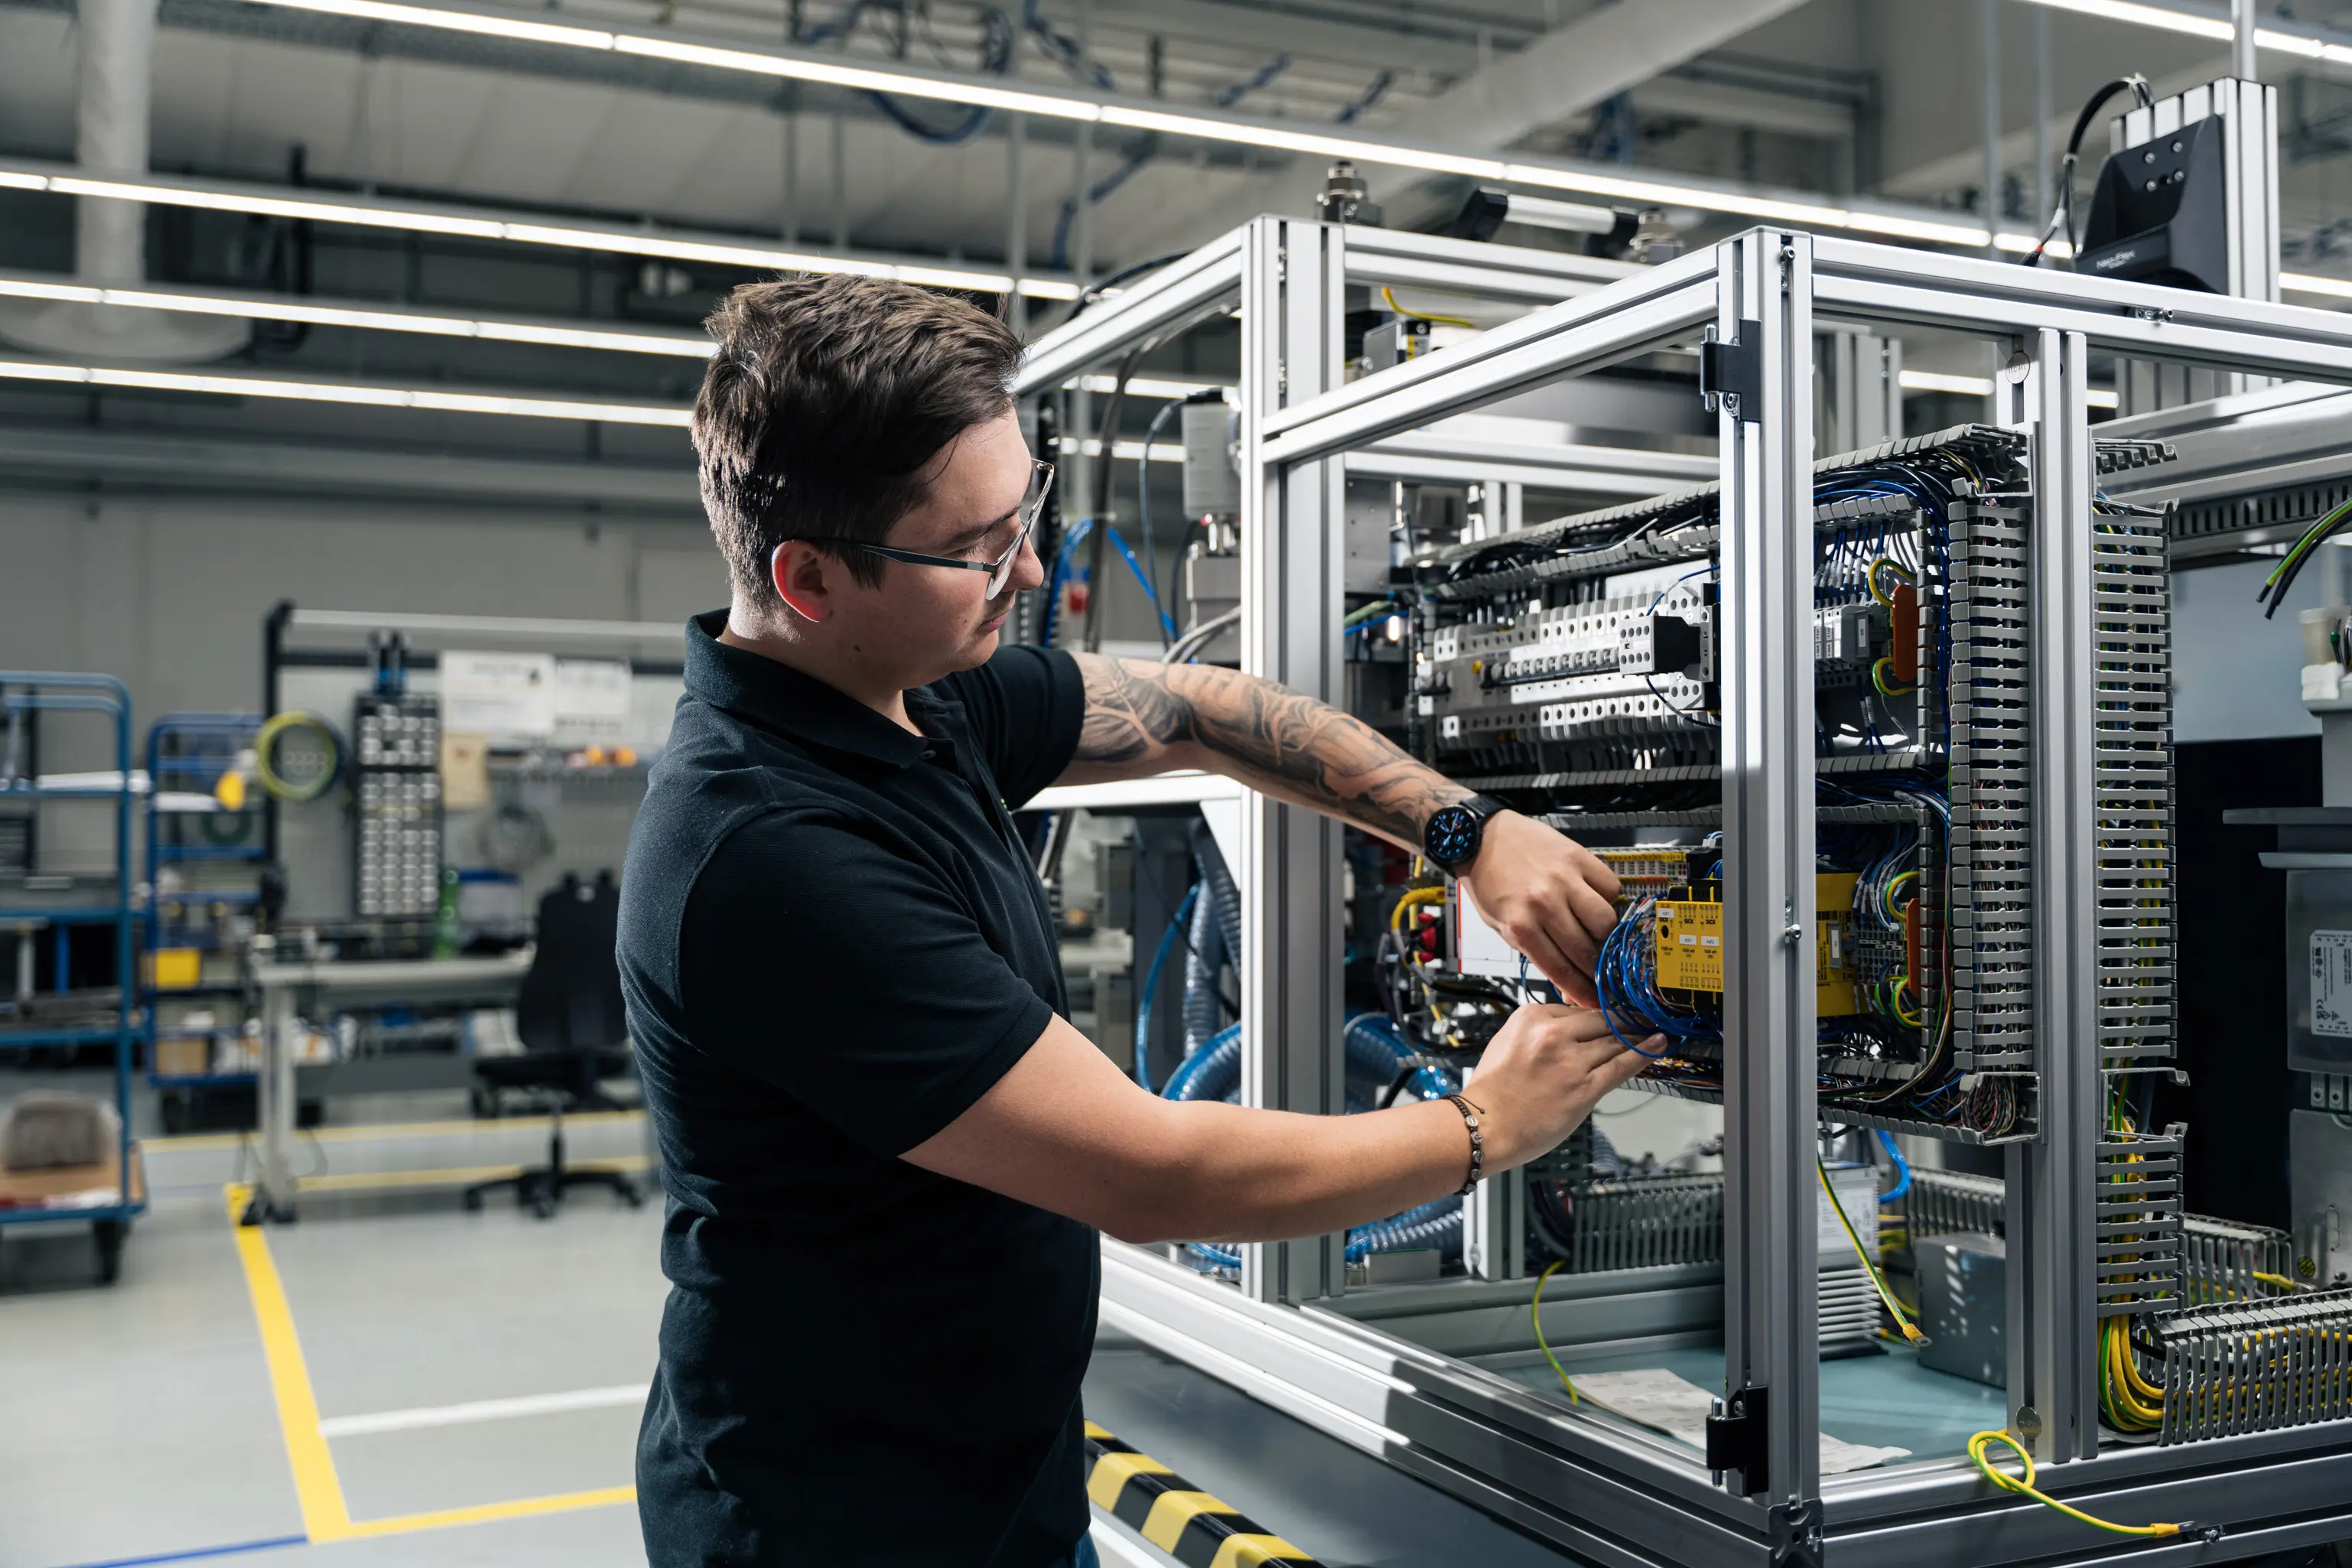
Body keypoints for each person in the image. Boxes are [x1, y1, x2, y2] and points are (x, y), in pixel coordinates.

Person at [617, 273, 1655, 1568]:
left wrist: (1468, 831)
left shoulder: (914, 696)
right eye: (978, 550)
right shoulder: (766, 853)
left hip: (992, 1466)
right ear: (808, 576)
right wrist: (1484, 1127)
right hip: (836, 1520)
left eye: (1024, 516)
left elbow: (1199, 712)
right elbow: (1150, 1173)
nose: (1031, 573)